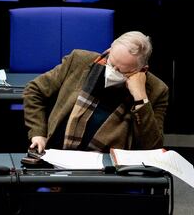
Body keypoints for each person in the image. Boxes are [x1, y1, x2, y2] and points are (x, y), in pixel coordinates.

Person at [24, 31, 169, 153]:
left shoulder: (157, 90)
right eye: (111, 63)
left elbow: (152, 148)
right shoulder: (79, 61)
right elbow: (34, 90)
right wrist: (38, 133)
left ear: (141, 69)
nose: (113, 71)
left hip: (110, 172)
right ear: (109, 50)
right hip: (57, 154)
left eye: (122, 70)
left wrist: (141, 98)